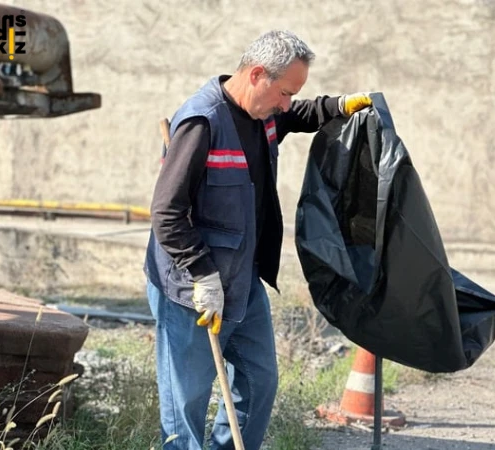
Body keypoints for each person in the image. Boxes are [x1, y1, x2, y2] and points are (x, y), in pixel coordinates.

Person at [143, 29, 372, 450]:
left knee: (259, 381)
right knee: (186, 404)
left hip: (242, 281)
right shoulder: (201, 122)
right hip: (192, 291)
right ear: (257, 75)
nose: (286, 104)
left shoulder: (263, 113)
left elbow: (298, 114)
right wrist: (202, 274)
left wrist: (339, 105)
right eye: (284, 92)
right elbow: (167, 213)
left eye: (291, 95)